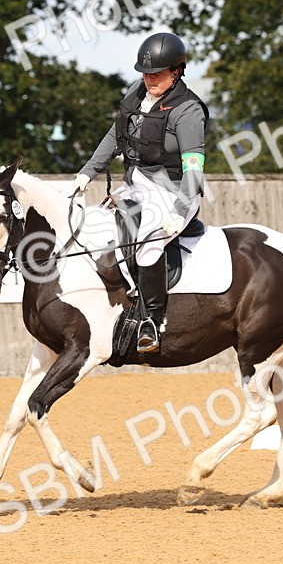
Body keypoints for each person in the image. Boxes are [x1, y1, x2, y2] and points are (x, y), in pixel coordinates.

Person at [73, 32, 208, 353]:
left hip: (176, 190)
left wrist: (180, 210)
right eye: (145, 73)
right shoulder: (137, 94)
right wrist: (87, 172)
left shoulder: (188, 111)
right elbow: (113, 136)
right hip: (136, 184)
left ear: (176, 72)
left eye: (156, 74)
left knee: (148, 244)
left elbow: (194, 169)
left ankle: (152, 320)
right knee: (96, 227)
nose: (149, 80)